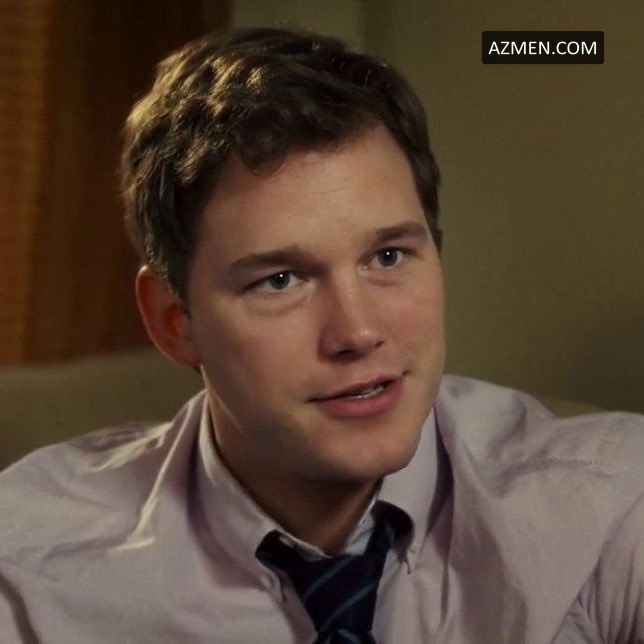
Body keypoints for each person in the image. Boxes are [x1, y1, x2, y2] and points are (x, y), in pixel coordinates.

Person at [1, 27, 644, 644]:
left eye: (388, 257)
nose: (358, 332)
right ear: (174, 322)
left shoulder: (612, 506)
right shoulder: (26, 568)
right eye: (280, 280)